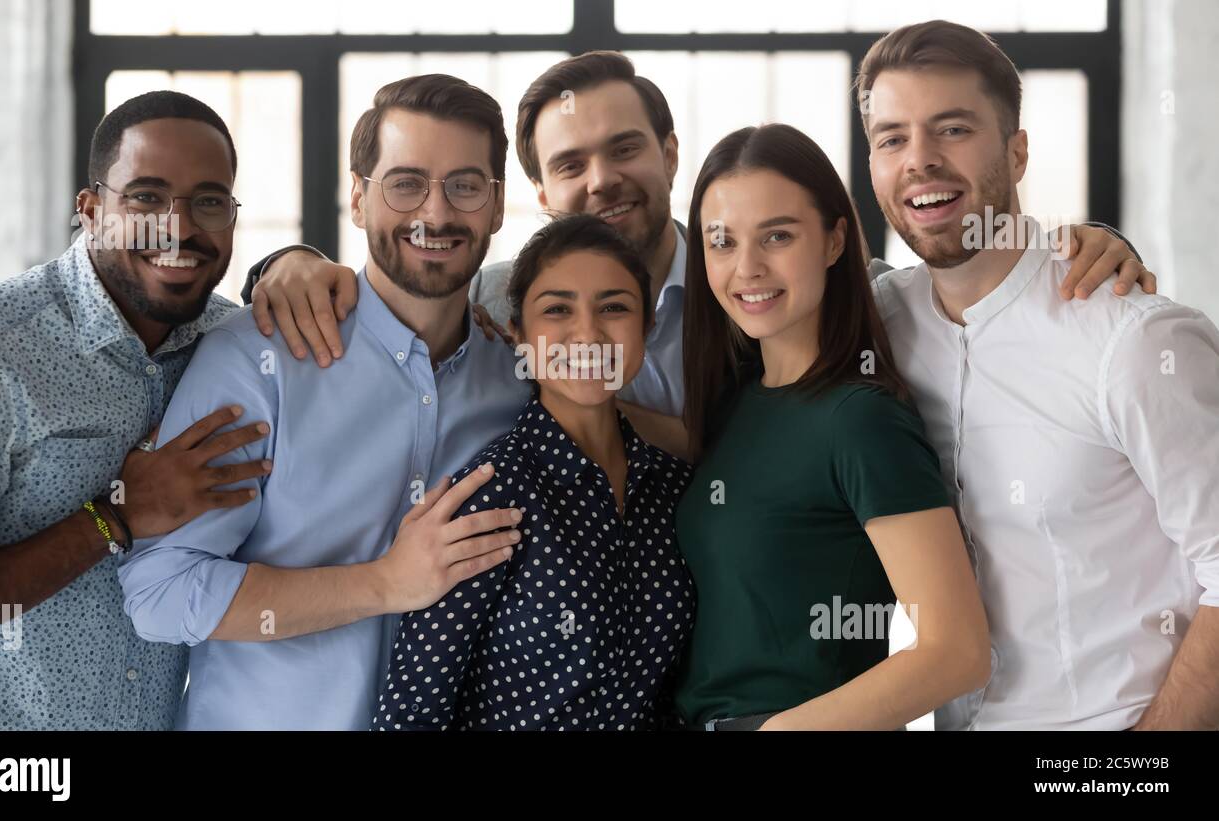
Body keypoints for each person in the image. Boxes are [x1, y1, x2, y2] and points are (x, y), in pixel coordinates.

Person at [239, 51, 1151, 422]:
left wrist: (1086, 240)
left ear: (669, 151)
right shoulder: (495, 300)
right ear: (541, 189)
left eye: (625, 147)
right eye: (571, 163)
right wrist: (289, 262)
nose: (602, 178)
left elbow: (945, 283)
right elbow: (394, 293)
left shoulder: (789, 282)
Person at [118, 74, 536, 730]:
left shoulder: (515, 382)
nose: (436, 212)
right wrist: (384, 583)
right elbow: (160, 593)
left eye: (465, 184)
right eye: (405, 182)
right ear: (358, 198)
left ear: (497, 204)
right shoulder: (259, 359)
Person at [859, 20, 1219, 729]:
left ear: (1017, 152)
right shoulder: (877, 322)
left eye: (953, 129)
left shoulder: (1134, 337)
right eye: (892, 138)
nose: (920, 161)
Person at [0, 91, 271, 729]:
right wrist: (113, 517)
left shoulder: (234, 349)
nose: (179, 227)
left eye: (209, 201)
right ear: (90, 210)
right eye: (145, 196)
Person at [670, 123, 990, 731]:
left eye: (778, 236)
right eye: (722, 242)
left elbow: (956, 651)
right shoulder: (734, 401)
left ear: (835, 240)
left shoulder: (861, 419)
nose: (747, 269)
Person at [373, 214, 694, 730]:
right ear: (519, 334)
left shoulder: (674, 488)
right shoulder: (489, 497)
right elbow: (410, 713)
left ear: (647, 328)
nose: (587, 333)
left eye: (613, 307)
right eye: (557, 310)